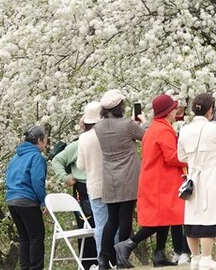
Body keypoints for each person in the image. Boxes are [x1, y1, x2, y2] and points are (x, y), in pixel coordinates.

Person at [115, 94, 188, 268]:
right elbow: (172, 157)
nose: (175, 111)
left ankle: (159, 254)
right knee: (157, 220)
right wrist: (190, 159)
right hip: (161, 181)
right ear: (168, 112)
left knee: (165, 217)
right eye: (173, 109)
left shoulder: (155, 128)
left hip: (155, 179)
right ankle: (128, 245)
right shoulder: (164, 130)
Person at [177, 92, 216, 270]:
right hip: (211, 177)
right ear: (211, 110)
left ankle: (195, 257)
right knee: (211, 216)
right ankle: (206, 257)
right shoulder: (214, 128)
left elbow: (181, 156)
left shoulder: (184, 130)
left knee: (193, 217)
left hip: (193, 177)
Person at [95, 90, 147, 269]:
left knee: (111, 220)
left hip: (109, 177)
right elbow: (146, 138)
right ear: (120, 106)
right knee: (125, 218)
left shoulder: (98, 127)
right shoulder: (128, 124)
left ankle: (103, 258)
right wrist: (144, 123)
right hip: (128, 175)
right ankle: (121, 257)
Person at [53, 102, 101, 267]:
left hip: (100, 184)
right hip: (82, 187)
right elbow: (57, 160)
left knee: (102, 223)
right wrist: (65, 177)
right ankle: (88, 264)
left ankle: (102, 260)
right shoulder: (78, 144)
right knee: (87, 224)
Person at [4, 125, 48, 270]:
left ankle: (25, 268)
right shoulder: (36, 157)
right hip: (27, 200)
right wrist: (43, 201)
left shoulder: (15, 157)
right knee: (36, 236)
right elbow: (37, 181)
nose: (46, 143)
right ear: (40, 140)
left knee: (24, 237)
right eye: (45, 140)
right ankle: (35, 268)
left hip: (12, 199)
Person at [75, 101, 109, 262]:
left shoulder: (84, 138)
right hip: (111, 183)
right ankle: (116, 259)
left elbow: (80, 165)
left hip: (94, 185)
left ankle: (102, 258)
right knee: (114, 222)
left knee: (100, 224)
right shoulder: (108, 133)